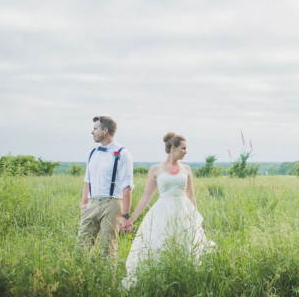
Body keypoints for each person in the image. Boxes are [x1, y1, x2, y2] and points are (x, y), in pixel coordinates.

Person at [121, 132, 215, 289]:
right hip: (162, 211)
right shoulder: (156, 169)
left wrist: (195, 218)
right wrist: (131, 219)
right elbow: (146, 197)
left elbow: (191, 196)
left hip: (183, 210)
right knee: (160, 244)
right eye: (183, 148)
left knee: (185, 245)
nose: (186, 152)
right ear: (173, 148)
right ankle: (159, 280)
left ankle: (184, 281)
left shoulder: (187, 169)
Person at [77, 115, 134, 257]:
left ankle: (108, 279)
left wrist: (126, 215)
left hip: (112, 203)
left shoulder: (122, 153)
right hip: (92, 203)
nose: (92, 132)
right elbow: (87, 180)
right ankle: (80, 278)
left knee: (108, 248)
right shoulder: (93, 153)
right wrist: (84, 203)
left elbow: (127, 186)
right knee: (81, 246)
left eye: (95, 129)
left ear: (105, 131)